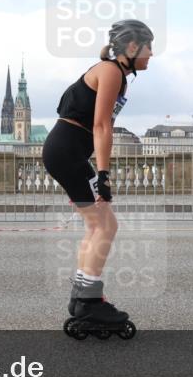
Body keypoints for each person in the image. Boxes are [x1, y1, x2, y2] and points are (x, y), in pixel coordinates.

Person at [42, 19, 153, 339]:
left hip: (69, 152)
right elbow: (102, 126)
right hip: (67, 152)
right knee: (106, 226)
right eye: (149, 47)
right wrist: (103, 175)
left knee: (98, 225)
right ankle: (88, 301)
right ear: (132, 47)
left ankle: (83, 296)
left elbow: (101, 125)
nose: (151, 54)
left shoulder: (117, 75)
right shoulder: (110, 72)